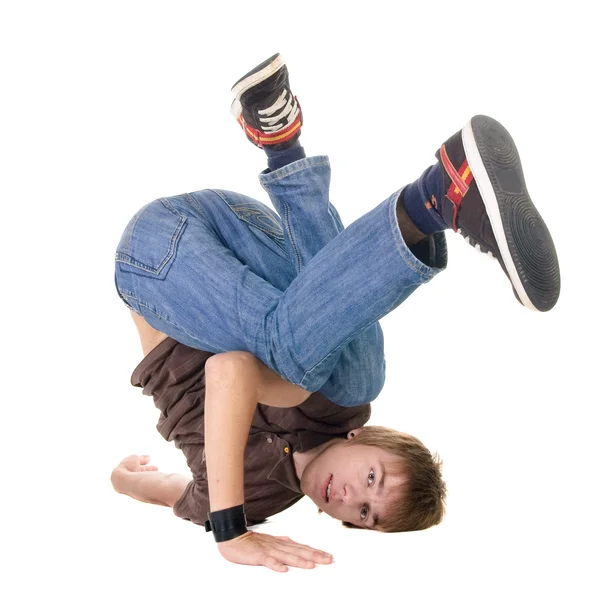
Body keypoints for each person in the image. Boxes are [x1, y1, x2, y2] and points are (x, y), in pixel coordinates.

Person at [110, 53, 560, 572]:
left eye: (364, 514)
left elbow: (210, 400)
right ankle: (428, 198)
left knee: (307, 359)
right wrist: (230, 534)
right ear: (361, 438)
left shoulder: (252, 498)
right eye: (372, 478)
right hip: (242, 228)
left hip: (157, 262)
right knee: (354, 377)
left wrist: (123, 477)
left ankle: (330, 162)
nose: (348, 496)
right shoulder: (341, 406)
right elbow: (235, 371)